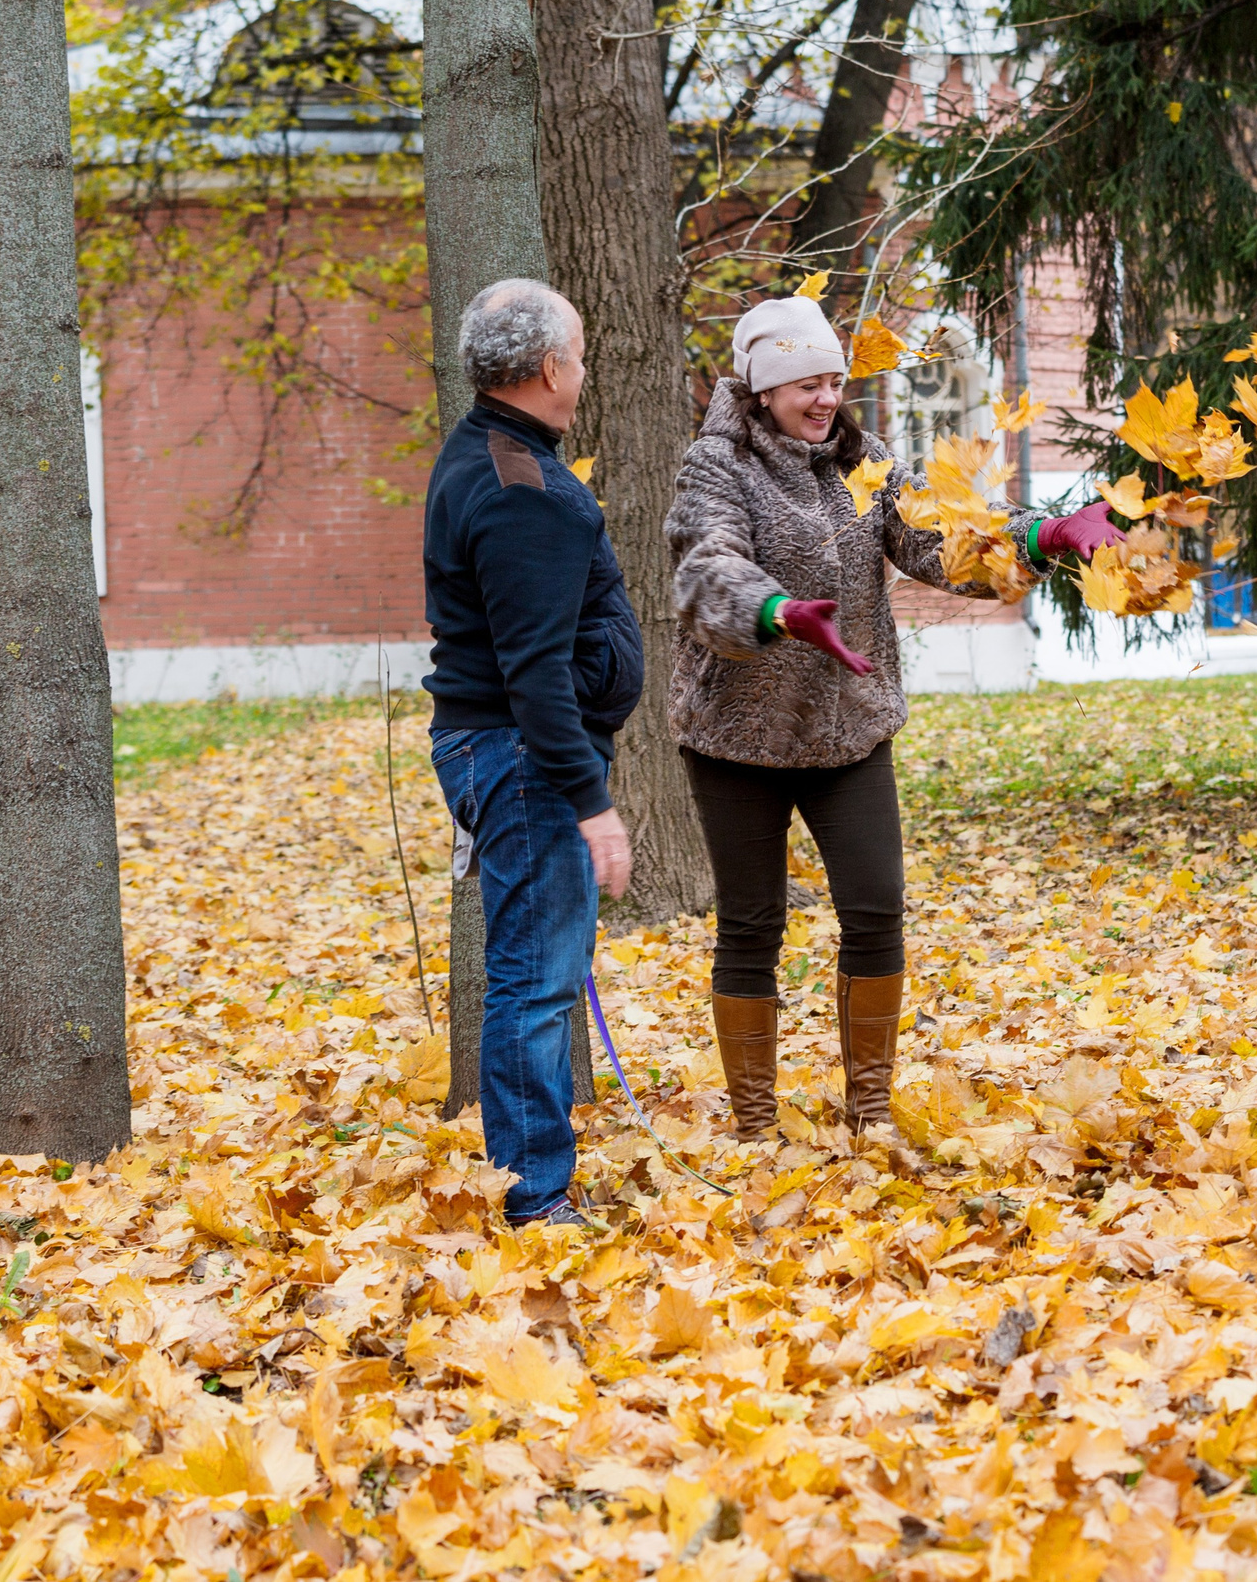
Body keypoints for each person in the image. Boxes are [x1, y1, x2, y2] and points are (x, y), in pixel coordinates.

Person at [665, 294, 1118, 1140]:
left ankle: (869, 1109)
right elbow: (704, 565)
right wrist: (775, 611)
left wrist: (1044, 535)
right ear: (763, 388)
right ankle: (755, 1124)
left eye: (834, 380)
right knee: (752, 923)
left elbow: (942, 536)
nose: (825, 398)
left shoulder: (863, 461)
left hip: (850, 726)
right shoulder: (716, 465)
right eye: (806, 383)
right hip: (738, 735)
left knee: (875, 907)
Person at [421, 278, 644, 1228]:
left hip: (506, 753)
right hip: (522, 759)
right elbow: (535, 672)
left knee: (537, 974)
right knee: (536, 982)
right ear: (550, 367)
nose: (584, 372)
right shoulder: (522, 491)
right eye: (580, 355)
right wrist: (591, 803)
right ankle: (533, 1196)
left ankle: (532, 1181)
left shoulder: (489, 453)